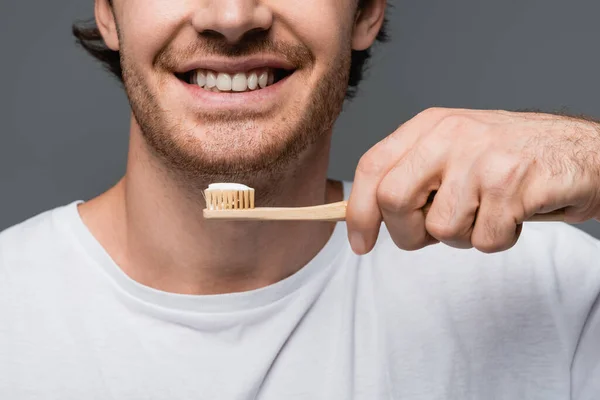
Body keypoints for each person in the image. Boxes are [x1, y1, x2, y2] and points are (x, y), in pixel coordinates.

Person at [1, 0, 599, 398]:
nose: (232, 16)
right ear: (109, 11)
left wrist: (591, 158)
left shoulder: (559, 292)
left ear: (365, 10)